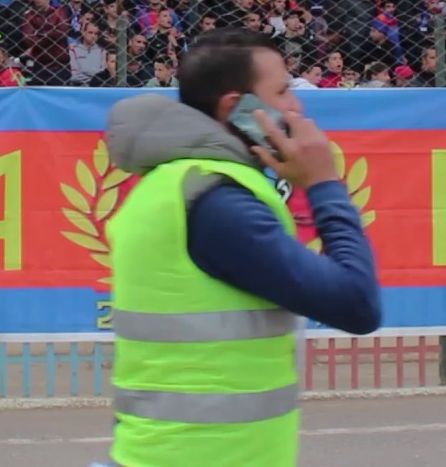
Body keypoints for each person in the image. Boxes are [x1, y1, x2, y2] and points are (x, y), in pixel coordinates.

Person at [100, 28, 380, 467]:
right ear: (238, 107)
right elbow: (357, 303)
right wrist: (325, 184)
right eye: (284, 91)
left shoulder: (174, 182)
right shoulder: (217, 200)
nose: (297, 107)